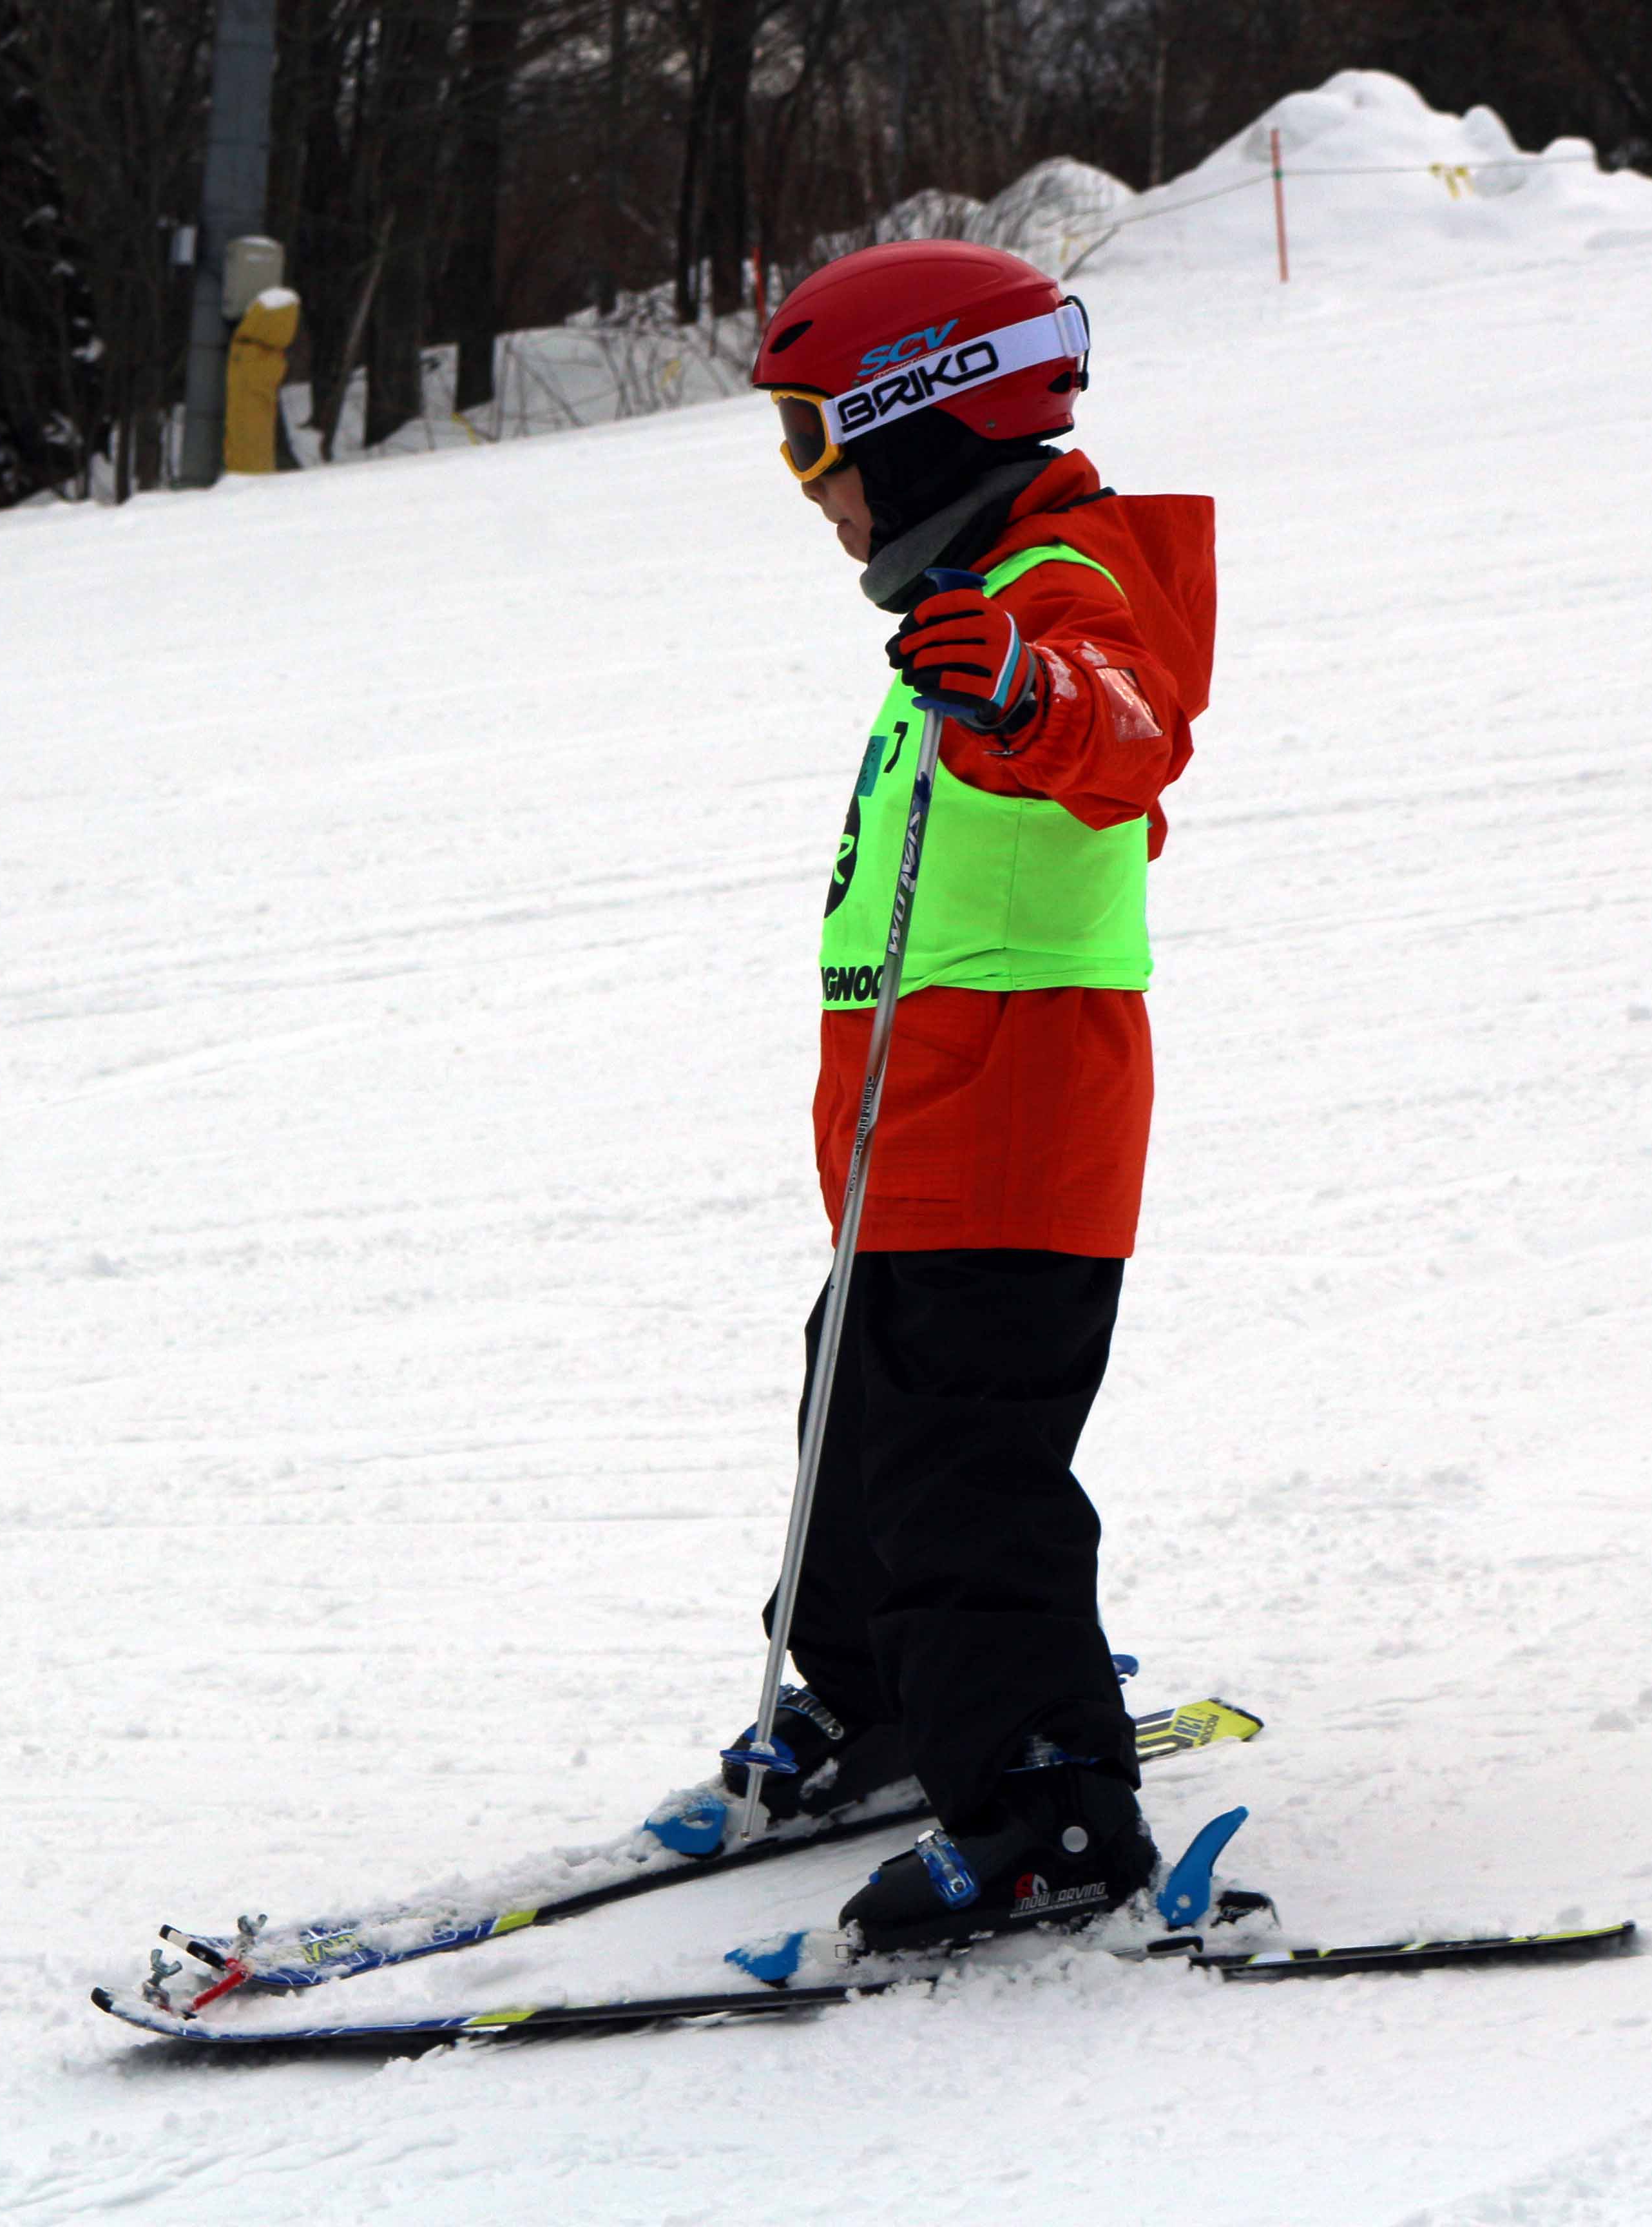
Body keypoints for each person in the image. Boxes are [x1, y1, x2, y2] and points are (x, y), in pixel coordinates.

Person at [699, 240, 1218, 1955]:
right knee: (856, 1434)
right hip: (918, 1133)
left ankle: (1051, 1805)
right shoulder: (971, 600)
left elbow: (1129, 731)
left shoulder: (1060, 586)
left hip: (1013, 1123)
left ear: (925, 418)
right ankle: (881, 1704)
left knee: (963, 1477)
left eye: (813, 441)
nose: (808, 488)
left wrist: (1023, 686)